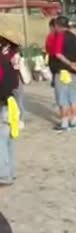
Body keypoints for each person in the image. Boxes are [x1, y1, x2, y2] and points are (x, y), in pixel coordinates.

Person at [50, 16, 76, 131]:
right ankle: (74, 122)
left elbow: (58, 54)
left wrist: (69, 64)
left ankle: (64, 123)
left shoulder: (60, 36)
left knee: (63, 98)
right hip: (74, 72)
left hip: (62, 71)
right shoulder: (75, 37)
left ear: (58, 25)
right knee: (73, 98)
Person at [0, 41, 18, 185]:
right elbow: (14, 84)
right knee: (9, 141)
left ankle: (4, 175)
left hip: (3, 106)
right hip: (10, 104)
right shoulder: (7, 63)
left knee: (1, 142)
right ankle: (11, 172)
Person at [0, 31, 25, 129]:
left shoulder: (14, 52)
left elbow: (16, 66)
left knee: (16, 100)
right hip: (9, 80)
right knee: (14, 100)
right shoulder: (5, 51)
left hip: (13, 80)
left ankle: (19, 119)